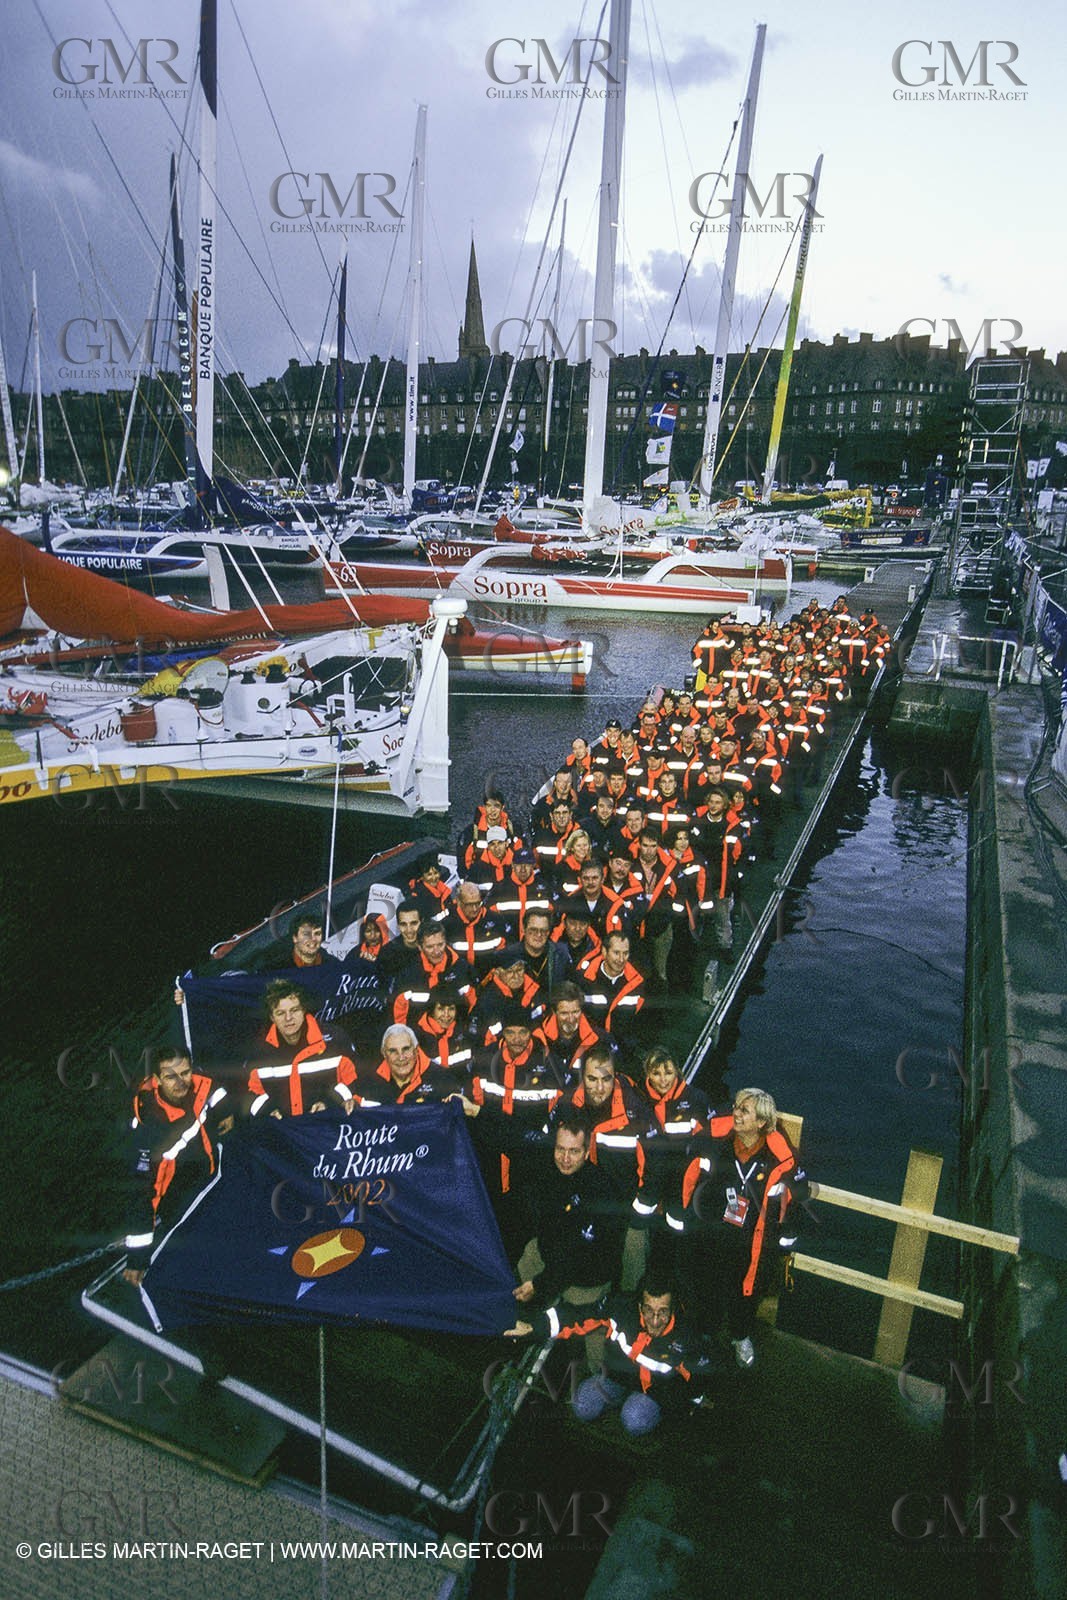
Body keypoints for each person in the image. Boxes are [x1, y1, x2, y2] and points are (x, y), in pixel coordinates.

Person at [673, 1086, 809, 1368]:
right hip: (712, 1232)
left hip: (753, 1242)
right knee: (706, 1285)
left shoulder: (779, 1159)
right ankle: (706, 1335)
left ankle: (740, 1335)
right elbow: (689, 1174)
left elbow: (797, 1195)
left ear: (761, 1122)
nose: (735, 1113)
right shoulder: (716, 1142)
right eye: (736, 1107)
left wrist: (787, 1239)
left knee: (746, 1293)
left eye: (743, 1111)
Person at [505, 1271, 715, 1436]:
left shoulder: (687, 1335)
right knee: (581, 1405)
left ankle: (651, 1414)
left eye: (663, 1312)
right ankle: (618, 1399)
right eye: (649, 1310)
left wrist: (696, 1399)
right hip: (618, 1379)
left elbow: (699, 1371)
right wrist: (535, 1327)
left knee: (634, 1420)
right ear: (639, 1306)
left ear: (673, 1309)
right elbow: (576, 1316)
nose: (655, 1320)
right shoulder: (620, 1310)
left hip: (656, 1393)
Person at [123, 1045, 233, 1285]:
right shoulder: (152, 1133)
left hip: (210, 1173)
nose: (181, 1082)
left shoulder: (197, 1083)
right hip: (181, 1195)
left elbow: (212, 1089)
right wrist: (137, 1258)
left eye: (184, 1073)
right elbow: (142, 1194)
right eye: (170, 1077)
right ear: (157, 1080)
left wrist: (226, 1112)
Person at [246, 981, 359, 1118]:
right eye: (280, 1013)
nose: (288, 1018)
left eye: (294, 1010)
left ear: (304, 1009)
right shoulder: (260, 1051)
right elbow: (248, 1095)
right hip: (282, 1132)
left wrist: (329, 1103)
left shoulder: (334, 1040)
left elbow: (356, 1079)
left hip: (328, 1126)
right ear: (272, 1017)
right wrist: (268, 1111)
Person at [391, 922, 475, 1026]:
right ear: (420, 947)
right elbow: (397, 1012)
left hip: (454, 1035)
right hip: (419, 1036)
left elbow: (475, 1007)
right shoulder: (408, 974)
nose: (436, 951)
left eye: (440, 945)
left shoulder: (462, 969)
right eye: (430, 947)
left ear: (446, 942)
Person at [358, 1023, 462, 1106]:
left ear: (416, 1050)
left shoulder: (443, 1080)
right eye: (393, 1051)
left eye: (406, 1049)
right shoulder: (369, 1083)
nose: (401, 1057)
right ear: (384, 1054)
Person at [534, 982, 607, 1075]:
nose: (571, 1019)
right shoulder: (538, 1038)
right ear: (554, 1012)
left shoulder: (599, 1039)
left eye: (575, 1012)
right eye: (564, 1013)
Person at [444, 881, 506, 975]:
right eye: (469, 904)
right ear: (459, 902)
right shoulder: (448, 924)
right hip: (460, 979)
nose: (474, 909)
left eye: (477, 903)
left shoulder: (496, 920)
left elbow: (505, 950)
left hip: (490, 978)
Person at [377, 899, 424, 986]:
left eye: (413, 923)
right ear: (398, 925)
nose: (409, 930)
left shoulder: (432, 947)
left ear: (422, 922)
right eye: (403, 924)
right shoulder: (387, 954)